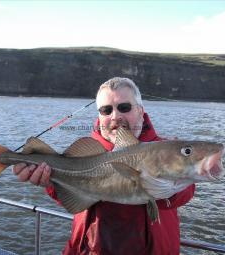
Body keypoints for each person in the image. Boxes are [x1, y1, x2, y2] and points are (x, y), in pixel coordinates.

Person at [13, 77, 195, 255]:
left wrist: (170, 180)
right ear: (99, 116)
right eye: (106, 110)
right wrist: (51, 183)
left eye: (124, 107)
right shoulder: (84, 153)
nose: (115, 116)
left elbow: (187, 191)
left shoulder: (168, 148)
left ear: (140, 110)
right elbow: (76, 200)